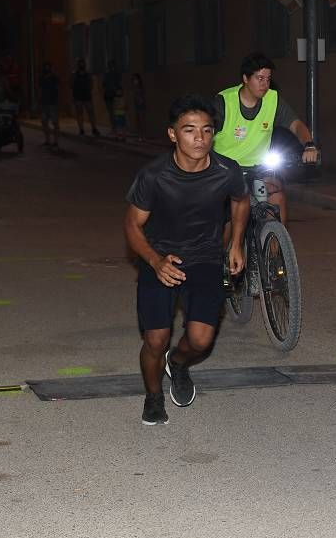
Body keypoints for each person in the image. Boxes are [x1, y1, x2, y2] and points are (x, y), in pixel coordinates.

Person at [123, 94, 249, 425]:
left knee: (200, 341)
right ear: (172, 134)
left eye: (207, 131)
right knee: (155, 339)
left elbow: (240, 201)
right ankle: (153, 397)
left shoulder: (226, 170)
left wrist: (236, 243)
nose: (200, 138)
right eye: (190, 130)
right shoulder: (153, 175)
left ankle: (177, 363)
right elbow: (132, 225)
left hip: (206, 259)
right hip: (160, 259)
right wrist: (154, 260)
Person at [212, 52, 319, 226]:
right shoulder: (224, 102)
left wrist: (309, 145)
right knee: (227, 221)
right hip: (225, 170)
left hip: (258, 169)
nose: (265, 84)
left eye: (268, 79)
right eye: (259, 78)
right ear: (245, 78)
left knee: (277, 196)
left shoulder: (273, 100)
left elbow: (297, 125)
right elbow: (206, 133)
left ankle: (276, 249)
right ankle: (227, 251)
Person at [71, 59, 99, 136]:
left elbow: (91, 84)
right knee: (80, 113)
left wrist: (88, 90)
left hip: (87, 96)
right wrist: (74, 97)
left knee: (91, 113)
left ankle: (94, 128)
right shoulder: (74, 74)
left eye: (83, 64)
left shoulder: (88, 74)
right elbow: (72, 86)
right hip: (78, 97)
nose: (82, 65)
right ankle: (81, 129)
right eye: (80, 64)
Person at [38, 63, 60, 148]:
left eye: (48, 67)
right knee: (44, 122)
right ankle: (47, 140)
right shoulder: (41, 77)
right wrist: (39, 101)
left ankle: (56, 141)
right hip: (44, 103)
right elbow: (40, 89)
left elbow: (58, 88)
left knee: (55, 122)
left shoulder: (54, 77)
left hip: (52, 103)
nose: (47, 69)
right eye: (45, 67)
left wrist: (57, 100)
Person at [131, 74, 147, 141]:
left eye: (136, 79)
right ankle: (140, 136)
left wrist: (141, 102)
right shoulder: (135, 89)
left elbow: (141, 98)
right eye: (134, 80)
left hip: (140, 106)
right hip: (137, 106)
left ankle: (142, 136)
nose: (135, 81)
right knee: (138, 121)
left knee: (141, 121)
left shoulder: (139, 89)